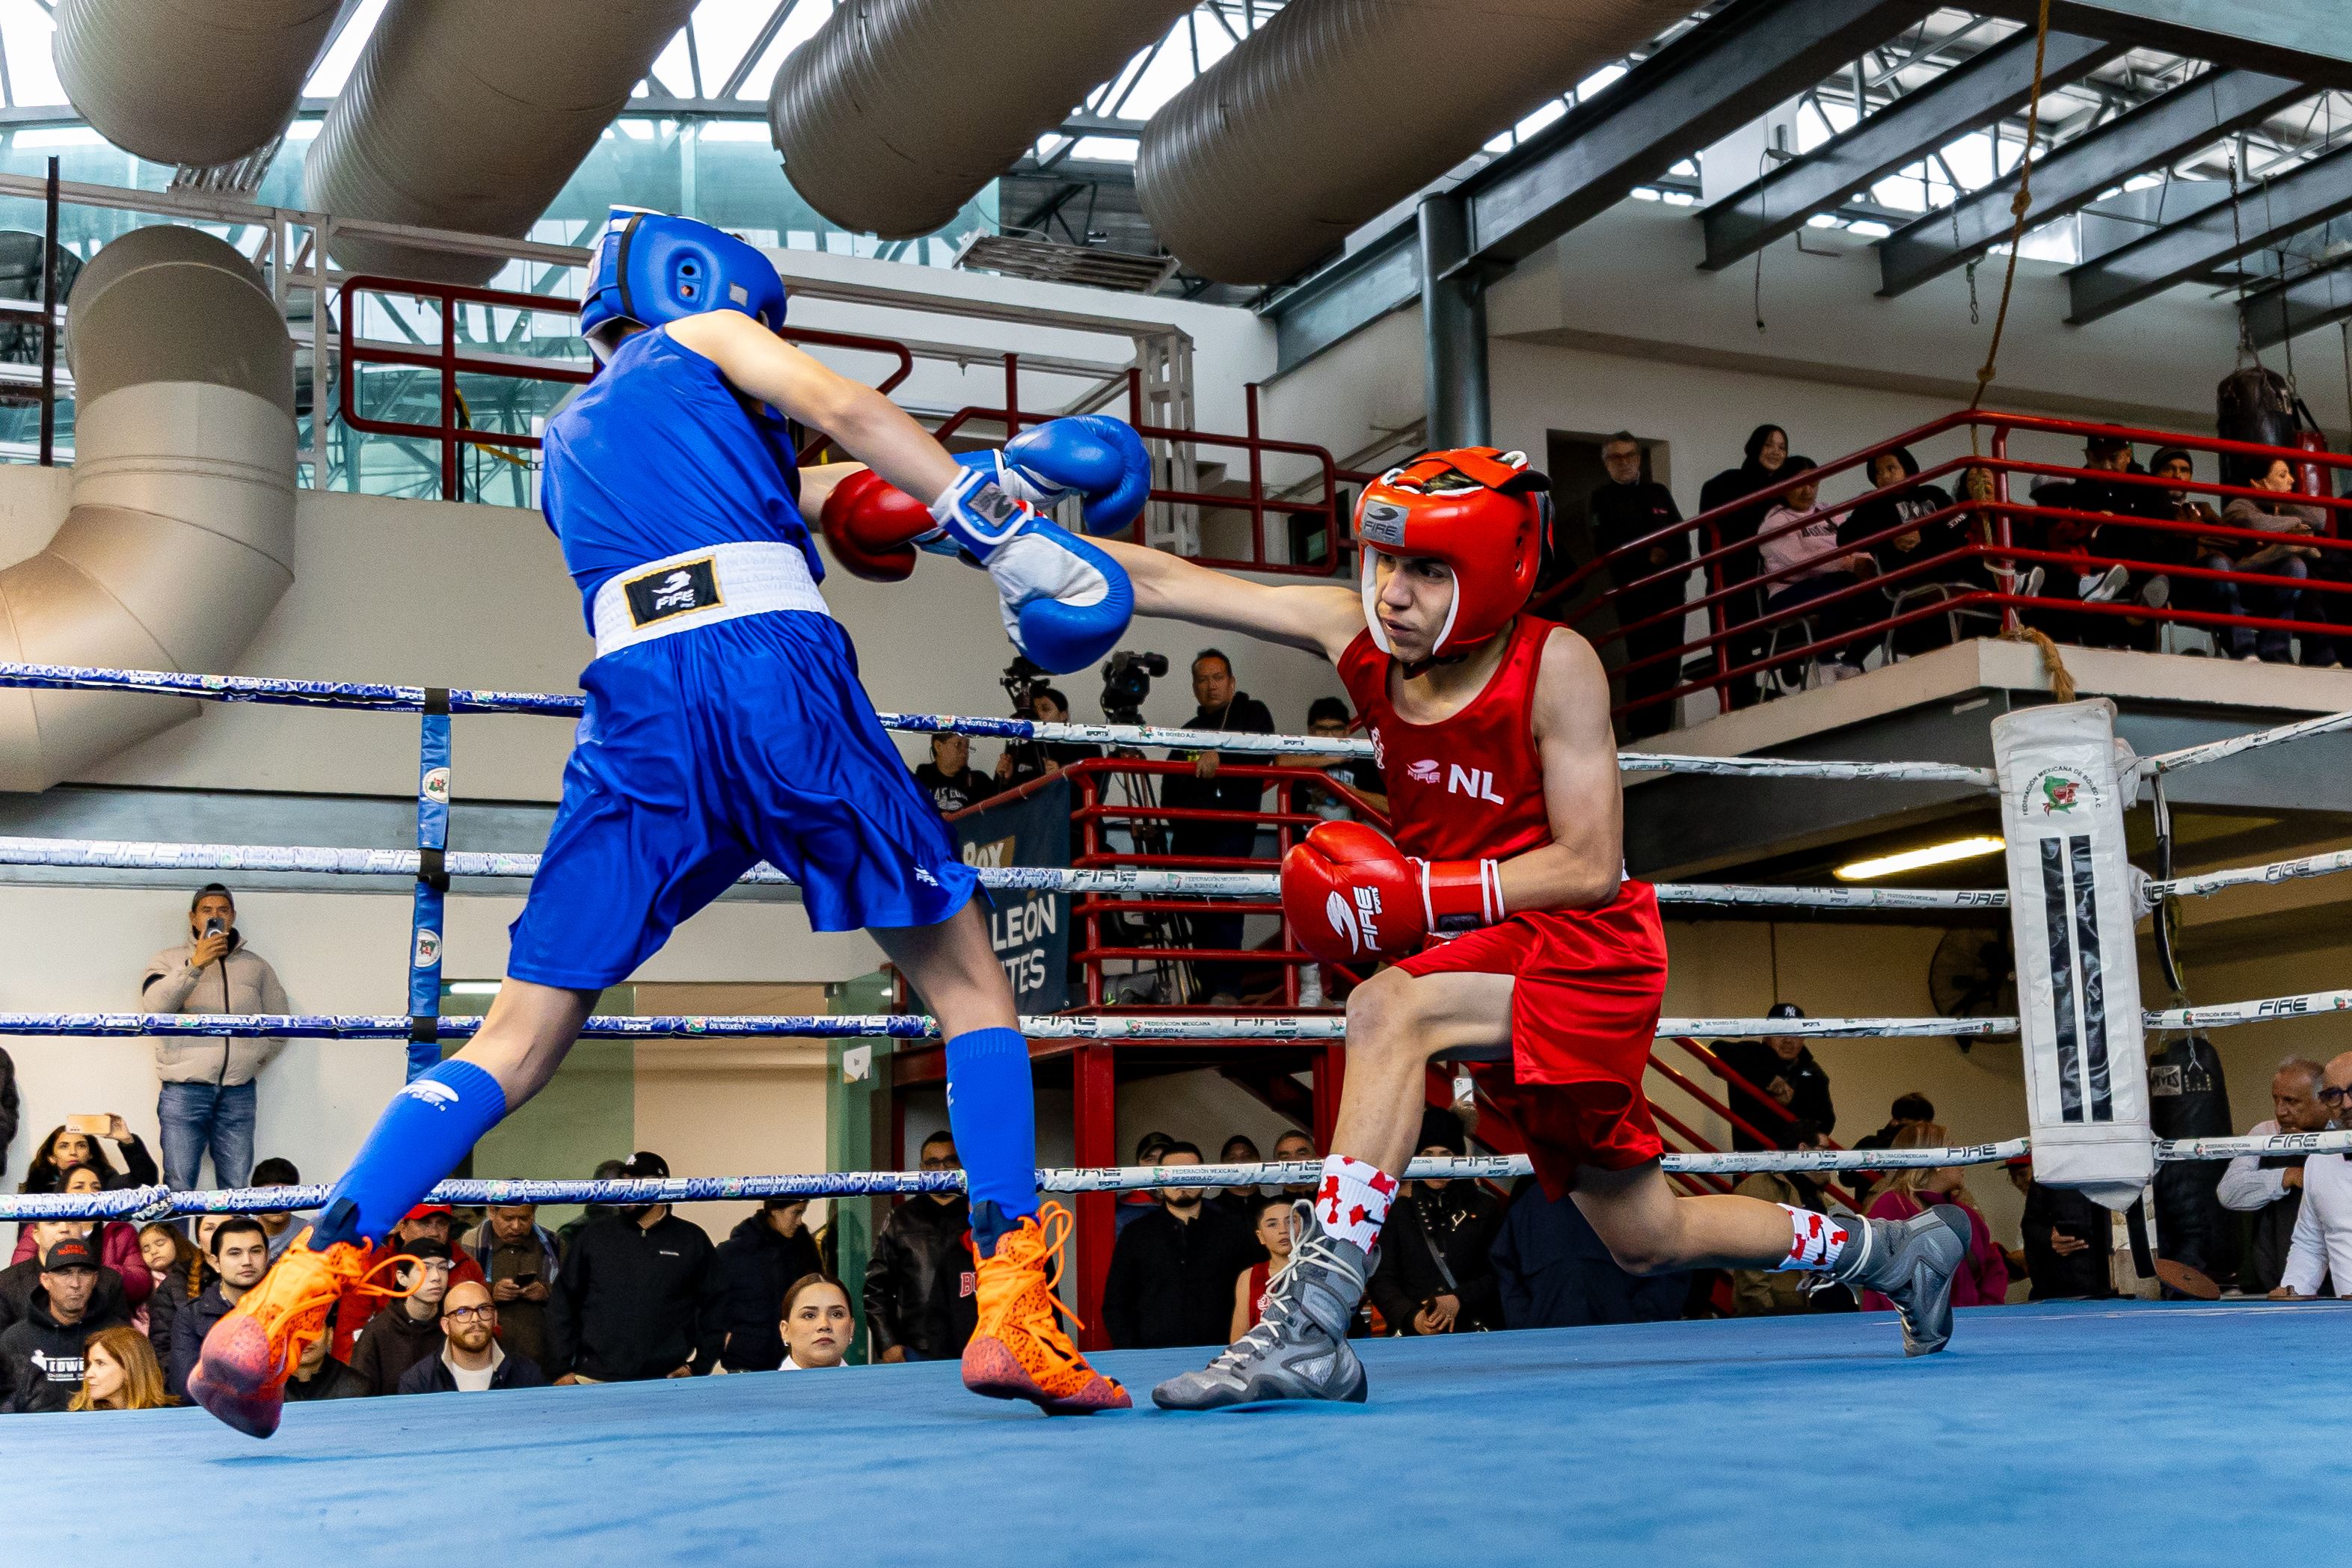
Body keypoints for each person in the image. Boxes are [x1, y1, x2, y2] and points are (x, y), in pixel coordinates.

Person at [188, 208, 1147, 1433]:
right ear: (699, 286)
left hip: (638, 710)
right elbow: (848, 415)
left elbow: (784, 483)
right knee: (968, 985)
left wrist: (974, 479)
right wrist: (994, 518)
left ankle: (281, 1302)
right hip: (772, 674)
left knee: (516, 1039)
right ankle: (1012, 1308)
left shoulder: (562, 438)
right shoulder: (709, 331)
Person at [1082, 446, 1966, 1411]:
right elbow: (1171, 577)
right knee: (1645, 1237)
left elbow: (1588, 863)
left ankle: (1304, 1329)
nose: (1395, 594)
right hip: (1480, 948)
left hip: (1586, 950)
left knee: (1388, 1006)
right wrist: (986, 527)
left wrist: (1425, 894)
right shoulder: (1360, 636)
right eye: (1386, 565)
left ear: (1496, 571)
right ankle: (1890, 1250)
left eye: (1428, 569)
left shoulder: (1556, 665)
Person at [140, 884, 288, 1193]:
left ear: (233, 917)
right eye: (207, 910)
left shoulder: (256, 966)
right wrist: (196, 965)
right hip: (183, 1090)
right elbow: (155, 1008)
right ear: (193, 918)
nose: (215, 916)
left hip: (239, 1091)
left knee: (236, 1186)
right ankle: (179, 1243)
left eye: (222, 910)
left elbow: (281, 1024)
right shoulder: (167, 961)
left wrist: (253, 1058)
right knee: (178, 1186)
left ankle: (234, 1242)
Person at [1159, 648, 1279, 1003]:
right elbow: (1170, 789)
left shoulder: (1251, 712)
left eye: (1217, 678)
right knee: (1197, 911)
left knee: (1223, 903)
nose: (1211, 686)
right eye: (1202, 680)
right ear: (1194, 687)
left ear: (1231, 682)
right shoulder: (1187, 733)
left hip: (1231, 829)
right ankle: (1203, 989)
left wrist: (1221, 757)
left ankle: (1226, 989)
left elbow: (1262, 749)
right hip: (1189, 835)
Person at [545, 1152, 713, 1384]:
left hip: (666, 1380)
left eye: (637, 1182)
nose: (628, 1190)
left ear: (660, 1185)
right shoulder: (594, 1237)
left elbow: (716, 1306)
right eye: (625, 1182)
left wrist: (700, 1365)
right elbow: (562, 1302)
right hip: (594, 1378)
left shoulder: (692, 1240)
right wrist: (561, 1369)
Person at [1102, 1143, 1262, 1349]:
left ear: (1204, 1177)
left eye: (1190, 1173)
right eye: (1173, 1174)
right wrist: (1133, 1352)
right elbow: (1116, 1304)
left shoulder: (1234, 1230)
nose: (1182, 1182)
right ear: (1160, 1181)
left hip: (1225, 1354)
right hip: (1152, 1356)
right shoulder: (1136, 1234)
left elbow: (1256, 1292)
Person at [1588, 432, 1692, 739]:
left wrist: (1667, 560)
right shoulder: (1602, 497)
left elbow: (1681, 538)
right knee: (1644, 663)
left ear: (1639, 458)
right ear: (1606, 463)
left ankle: (1664, 732)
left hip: (1671, 592)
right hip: (1634, 597)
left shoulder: (1658, 492)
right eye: (1615, 457)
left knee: (1670, 665)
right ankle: (1642, 737)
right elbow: (1605, 549)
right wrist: (1647, 560)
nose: (1624, 463)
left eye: (1629, 455)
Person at [1367, 1107, 1505, 1335]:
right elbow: (1382, 1279)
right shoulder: (1397, 1213)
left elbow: (1501, 1271)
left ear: (1458, 1158)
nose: (1437, 1164)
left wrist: (1460, 1299)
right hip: (1416, 1338)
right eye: (1428, 1155)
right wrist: (1412, 1317)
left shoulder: (1486, 1208)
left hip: (1476, 1333)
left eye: (1445, 1155)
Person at [1491, 1173, 1688, 1327]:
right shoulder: (1531, 1200)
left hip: (1615, 1343)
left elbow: (1671, 1261)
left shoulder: (1638, 1197)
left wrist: (1642, 1323)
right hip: (1553, 1344)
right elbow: (1506, 1267)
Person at [1860, 1125, 2007, 1312]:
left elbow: (1992, 1265)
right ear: (1935, 1161)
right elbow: (1887, 1283)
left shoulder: (1965, 1213)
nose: (1963, 1157)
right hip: (1907, 1333)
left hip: (1970, 1328)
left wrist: (1985, 1312)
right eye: (1953, 1150)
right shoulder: (1890, 1208)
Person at [1698, 423, 1793, 709]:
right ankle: (1736, 704)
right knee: (1733, 646)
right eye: (1768, 445)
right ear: (1754, 447)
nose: (1775, 452)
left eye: (1782, 447)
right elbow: (1709, 539)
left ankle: (1789, 666)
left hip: (1773, 577)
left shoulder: (1786, 490)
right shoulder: (1725, 484)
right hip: (1732, 578)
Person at [1838, 446, 1966, 657]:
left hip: (1950, 564)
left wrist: (1924, 534)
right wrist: (1889, 538)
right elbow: (1844, 538)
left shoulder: (1933, 493)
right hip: (1907, 573)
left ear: (1907, 468)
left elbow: (1960, 522)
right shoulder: (1871, 505)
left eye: (1891, 468)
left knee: (1976, 553)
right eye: (1878, 473)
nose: (1884, 476)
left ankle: (2016, 583)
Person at [1756, 461, 1876, 684]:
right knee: (1840, 589)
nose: (1807, 491)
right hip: (1788, 592)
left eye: (1813, 484)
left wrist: (1865, 561)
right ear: (1784, 487)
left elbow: (1853, 541)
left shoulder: (1829, 513)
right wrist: (1850, 564)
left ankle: (1852, 659)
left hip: (1832, 580)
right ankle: (1825, 660)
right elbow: (1803, 561)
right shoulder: (1774, 523)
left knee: (1880, 592)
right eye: (1800, 484)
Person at [863, 1132, 977, 1364]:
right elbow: (876, 1288)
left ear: (961, 1164)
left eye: (950, 1160)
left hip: (978, 1342)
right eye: (933, 1162)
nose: (942, 1168)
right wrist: (887, 1344)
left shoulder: (979, 1215)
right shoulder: (901, 1219)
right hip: (918, 1347)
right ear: (922, 1168)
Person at [2220, 1057, 2331, 1295]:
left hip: (2336, 1272)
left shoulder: (2342, 1133)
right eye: (2276, 1099)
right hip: (2272, 1272)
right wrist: (2285, 1177)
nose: (2281, 1111)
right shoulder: (2265, 1133)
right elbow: (2228, 1192)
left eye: (2291, 1101)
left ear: (2322, 1101)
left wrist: (2315, 1164)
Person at [2211, 456, 2325, 662]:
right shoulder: (2239, 506)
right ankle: (2244, 649)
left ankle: (2275, 650)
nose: (2291, 480)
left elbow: (2318, 519)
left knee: (2296, 566)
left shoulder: (2277, 508)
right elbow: (2259, 524)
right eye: (2282, 475)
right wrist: (2293, 531)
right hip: (2239, 583)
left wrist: (2285, 505)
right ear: (2258, 482)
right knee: (2292, 558)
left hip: (2270, 587)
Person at [1, 1237, 130, 1412]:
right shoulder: (14, 1340)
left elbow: (144, 1397)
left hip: (106, 1434)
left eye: (84, 1273)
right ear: (46, 1281)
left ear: (95, 1279)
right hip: (38, 1436)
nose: (75, 1284)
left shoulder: (120, 1336)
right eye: (65, 1273)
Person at [1729, 1123, 1843, 1315]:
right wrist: (1763, 1311)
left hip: (1812, 1309)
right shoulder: (1758, 1190)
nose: (1832, 1159)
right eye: (1825, 1150)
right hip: (1776, 1312)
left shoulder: (1815, 1196)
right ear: (1803, 1149)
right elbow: (1751, 1262)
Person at [9, 1164, 153, 1314]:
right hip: (45, 1314)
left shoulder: (121, 1231)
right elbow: (21, 1280)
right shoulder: (41, 1228)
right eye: (79, 1187)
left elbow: (141, 1286)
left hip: (105, 1316)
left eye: (96, 1188)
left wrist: (95, 1272)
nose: (90, 1193)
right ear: (63, 1195)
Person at [704, 1196, 824, 1373]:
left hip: (795, 1362)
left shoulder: (804, 1250)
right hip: (746, 1364)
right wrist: (724, 1338)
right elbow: (707, 1301)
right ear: (775, 1211)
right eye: (796, 1213)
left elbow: (818, 1294)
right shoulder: (733, 1253)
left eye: (802, 1213)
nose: (799, 1221)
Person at [2273, 1051, 2352, 1301]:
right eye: (2333, 1095)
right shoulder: (2319, 1160)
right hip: (2343, 1325)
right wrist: (2293, 1288)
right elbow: (2310, 1244)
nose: (2346, 1103)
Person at [168, 1218, 269, 1402]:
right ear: (216, 1263)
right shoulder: (191, 1316)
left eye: (255, 1251)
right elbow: (186, 1387)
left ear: (267, 1256)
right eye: (234, 1253)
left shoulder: (285, 1306)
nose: (247, 1261)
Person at [396, 1278, 548, 1394]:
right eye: (462, 1312)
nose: (476, 1319)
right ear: (446, 1326)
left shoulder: (528, 1375)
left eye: (483, 1309)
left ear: (495, 1318)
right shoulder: (419, 1381)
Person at [1715, 1007, 1834, 1151]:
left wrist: (1791, 1103)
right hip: (1754, 1163)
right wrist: (1767, 1079)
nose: (1788, 1040)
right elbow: (1717, 1050)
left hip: (1797, 1164)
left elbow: (1826, 1122)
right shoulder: (1750, 1054)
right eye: (1780, 1031)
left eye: (1795, 1033)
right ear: (1767, 1034)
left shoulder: (1814, 1073)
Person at [348, 1237, 455, 1395]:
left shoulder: (456, 1324)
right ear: (402, 1278)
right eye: (424, 1268)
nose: (436, 1277)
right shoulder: (378, 1333)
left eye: (443, 1268)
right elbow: (359, 1398)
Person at [461, 1202, 559, 1368]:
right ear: (492, 1212)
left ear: (534, 1213)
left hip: (543, 1359)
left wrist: (547, 1292)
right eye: (508, 1218)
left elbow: (575, 1298)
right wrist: (490, 1293)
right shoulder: (469, 1245)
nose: (516, 1226)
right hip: (485, 1359)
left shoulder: (553, 1245)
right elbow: (456, 1299)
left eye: (524, 1218)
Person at [2015, 1157, 2113, 1301]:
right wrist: (2049, 1238)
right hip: (2063, 1285)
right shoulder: (2050, 1171)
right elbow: (2031, 1226)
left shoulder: (2120, 1163)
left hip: (2118, 1281)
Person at [15, 1115, 159, 1203]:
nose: (73, 1152)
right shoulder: (37, 1189)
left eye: (81, 1146)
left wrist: (127, 1140)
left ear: (90, 1154)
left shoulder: (105, 1182)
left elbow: (146, 1181)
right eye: (64, 1146)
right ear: (52, 1158)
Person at [1289, 695, 1387, 822]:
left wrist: (1341, 791)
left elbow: (1386, 806)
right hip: (1306, 835)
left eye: (1336, 729)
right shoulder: (1303, 756)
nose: (1330, 735)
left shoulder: (1362, 763)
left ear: (1347, 731)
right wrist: (1335, 758)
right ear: (1311, 731)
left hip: (1351, 835)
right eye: (1322, 729)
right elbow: (1280, 761)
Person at [995, 686, 1101, 790]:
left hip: (1060, 805)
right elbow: (1003, 796)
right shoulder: (1024, 746)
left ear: (1063, 715)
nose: (1039, 715)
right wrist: (1005, 779)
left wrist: (1061, 778)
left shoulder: (1085, 748)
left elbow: (1090, 792)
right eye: (1034, 711)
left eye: (1046, 709)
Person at [1231, 1193, 1297, 1340]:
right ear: (1260, 1236)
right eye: (1273, 1224)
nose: (1283, 1230)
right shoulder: (1250, 1277)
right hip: (1262, 1360)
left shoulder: (1323, 1272)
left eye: (1291, 1221)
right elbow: (1237, 1341)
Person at [69, 1323, 171, 1411]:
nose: (88, 1374)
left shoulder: (169, 1418)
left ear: (129, 1369)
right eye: (89, 1364)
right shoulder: (80, 1418)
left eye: (100, 1363)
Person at [776, 1273, 855, 1370]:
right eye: (809, 1315)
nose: (824, 1325)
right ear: (785, 1331)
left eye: (836, 1314)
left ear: (851, 1328)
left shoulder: (872, 1385)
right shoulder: (762, 1385)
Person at [914, 730, 995, 814]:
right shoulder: (921, 780)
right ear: (938, 746)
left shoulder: (979, 781)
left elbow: (999, 812)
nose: (965, 751)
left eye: (967, 746)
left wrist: (1004, 781)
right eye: (958, 744)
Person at [281, 1331, 371, 1403]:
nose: (305, 1339)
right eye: (295, 1330)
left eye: (314, 1329)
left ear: (330, 1335)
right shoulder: (268, 1391)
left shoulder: (357, 1387)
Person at [248, 1157, 306, 1261]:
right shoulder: (241, 1231)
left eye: (285, 1195)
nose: (277, 1203)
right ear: (255, 1196)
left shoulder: (308, 1232)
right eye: (268, 1195)